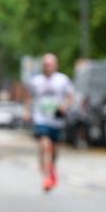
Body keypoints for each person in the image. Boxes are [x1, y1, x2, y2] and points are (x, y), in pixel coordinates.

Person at [23, 53, 75, 192]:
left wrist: (65, 106)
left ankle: (51, 168)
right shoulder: (36, 81)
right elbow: (28, 97)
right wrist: (27, 111)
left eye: (50, 64)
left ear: (56, 65)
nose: (48, 67)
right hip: (41, 118)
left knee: (54, 150)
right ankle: (47, 177)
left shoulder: (63, 80)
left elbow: (71, 97)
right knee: (45, 146)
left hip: (56, 120)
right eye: (46, 64)